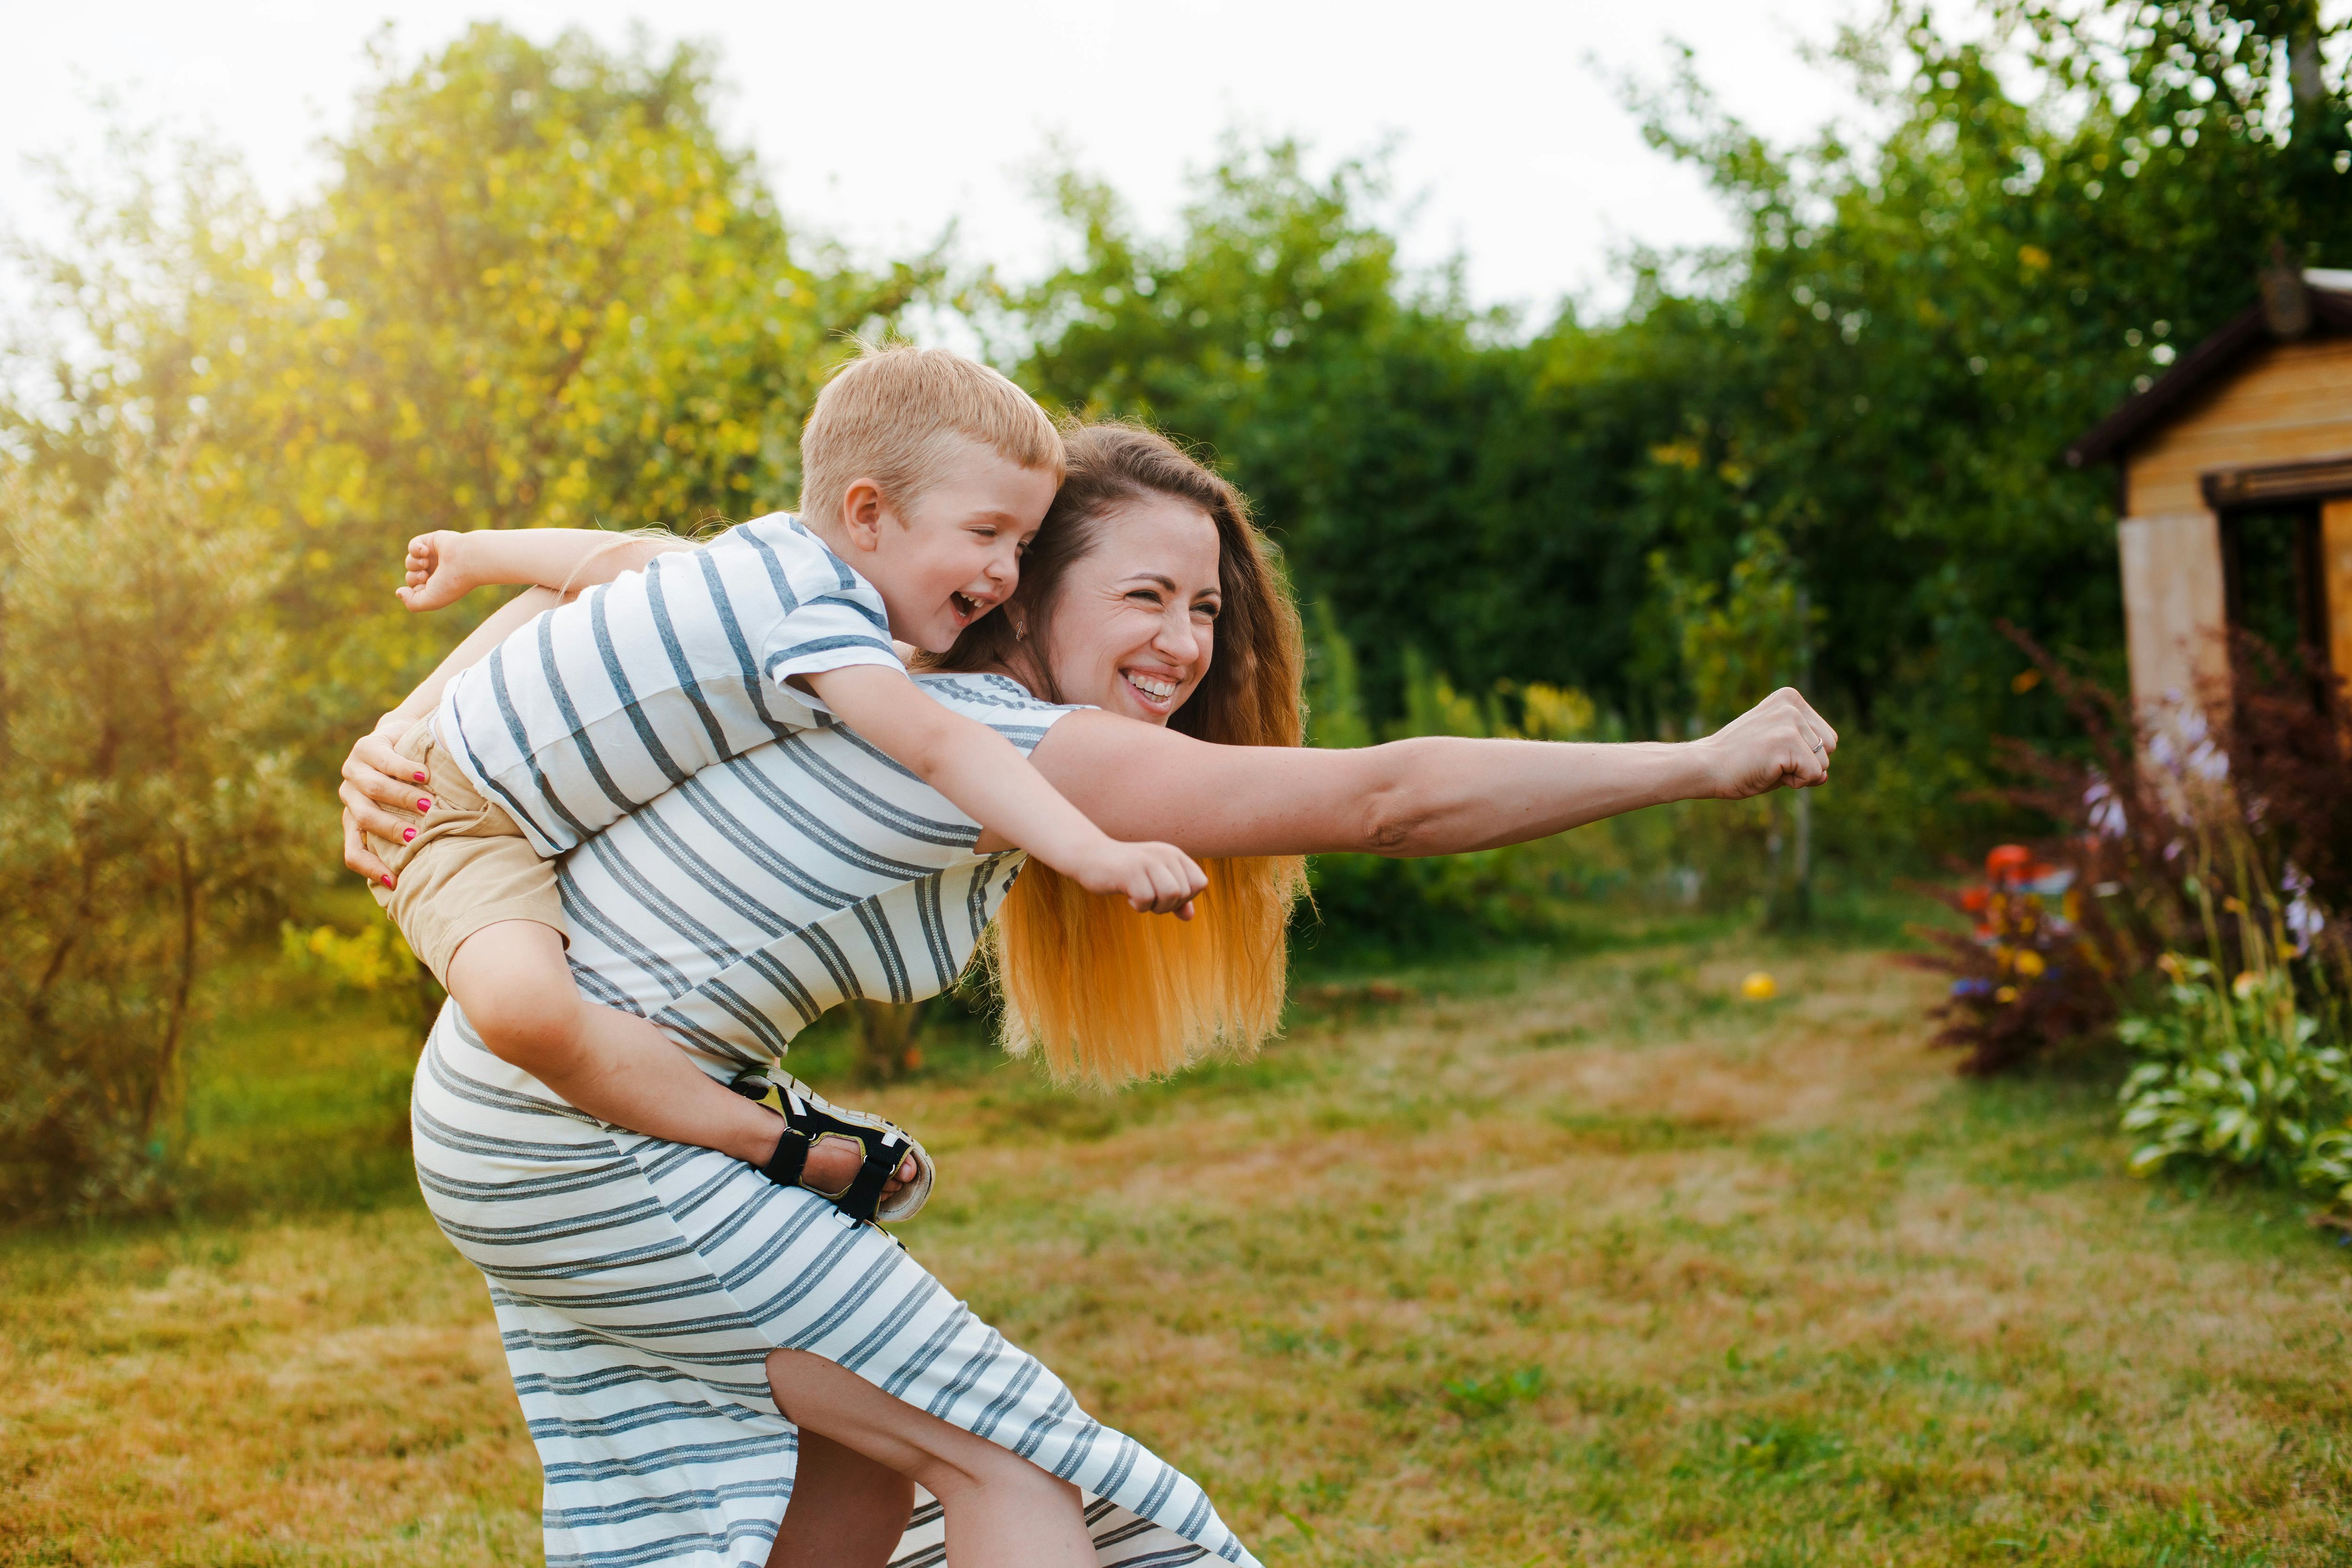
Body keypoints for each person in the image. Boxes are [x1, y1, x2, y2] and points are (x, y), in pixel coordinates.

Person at [342, 422, 1838, 1568]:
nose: (1187, 644)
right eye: (1145, 595)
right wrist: (1697, 761)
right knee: (1013, 1465)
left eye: (1206, 606)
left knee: (860, 1466)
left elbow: (626, 574)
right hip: (579, 1128)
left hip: (544, 1110)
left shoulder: (835, 650)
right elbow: (1391, 796)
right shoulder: (1000, 730)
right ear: (1019, 586)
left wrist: (404, 731)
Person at [359, 345, 1206, 1221]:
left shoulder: (773, 556)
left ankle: (757, 1119)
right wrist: (1092, 852)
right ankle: (777, 1140)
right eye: (986, 534)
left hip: (502, 803)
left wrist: (473, 551)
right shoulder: (819, 611)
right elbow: (939, 746)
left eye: (1023, 546)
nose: (1006, 573)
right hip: (449, 814)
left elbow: (612, 558)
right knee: (528, 1013)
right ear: (869, 514)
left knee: (546, 1006)